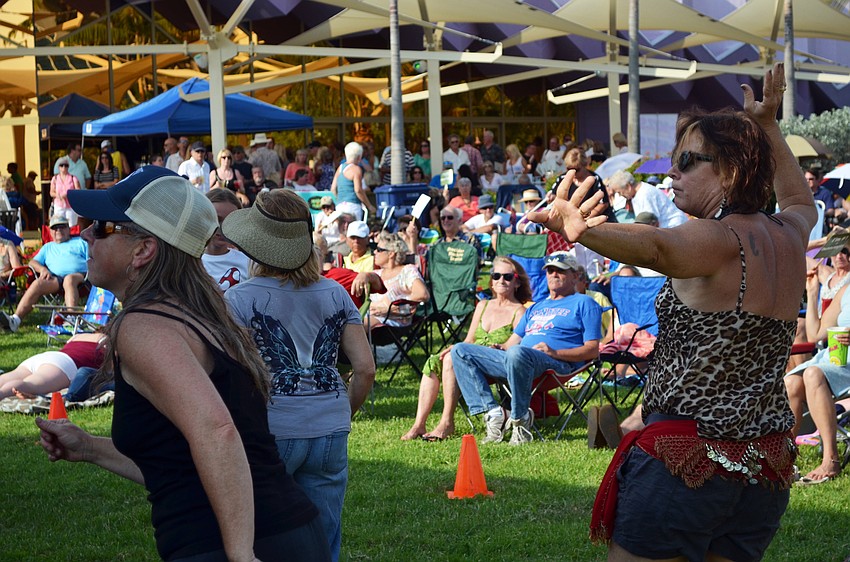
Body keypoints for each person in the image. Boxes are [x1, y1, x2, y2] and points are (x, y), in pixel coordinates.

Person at [531, 63, 816, 560]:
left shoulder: (719, 236)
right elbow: (797, 196)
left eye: (687, 160)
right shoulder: (790, 234)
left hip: (690, 463)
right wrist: (769, 125)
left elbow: (660, 247)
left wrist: (585, 232)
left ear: (729, 171)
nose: (671, 171)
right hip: (762, 466)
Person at [36, 166, 329, 561]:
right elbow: (179, 465)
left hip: (229, 544)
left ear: (143, 250)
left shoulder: (144, 326)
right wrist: (88, 447)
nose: (85, 233)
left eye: (102, 226)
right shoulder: (203, 317)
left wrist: (241, 554)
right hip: (288, 532)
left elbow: (218, 433)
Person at [221, 188, 375, 562]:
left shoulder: (240, 298)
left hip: (272, 429)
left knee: (266, 535)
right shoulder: (335, 293)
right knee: (324, 537)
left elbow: (234, 374)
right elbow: (365, 368)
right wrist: (344, 413)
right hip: (330, 427)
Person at [452, 252, 602, 445]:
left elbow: (592, 350)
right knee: (460, 350)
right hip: (518, 360)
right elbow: (512, 343)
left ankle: (520, 420)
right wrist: (500, 347)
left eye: (560, 271)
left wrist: (554, 352)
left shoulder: (585, 303)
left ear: (575, 276)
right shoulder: (536, 308)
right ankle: (494, 412)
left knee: (517, 353)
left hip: (557, 364)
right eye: (550, 271)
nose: (554, 275)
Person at [402, 256, 531, 441]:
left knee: (450, 358)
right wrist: (455, 347)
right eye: (496, 276)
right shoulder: (483, 305)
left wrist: (461, 350)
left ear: (517, 282)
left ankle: (447, 422)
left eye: (507, 277)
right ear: (491, 282)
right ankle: (418, 424)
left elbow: (511, 346)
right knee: (437, 359)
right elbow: (469, 339)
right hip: (468, 359)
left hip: (493, 363)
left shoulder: (520, 311)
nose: (501, 280)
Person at [784, 273, 850, 484]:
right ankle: (785, 459)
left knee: (813, 374)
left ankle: (830, 459)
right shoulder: (845, 291)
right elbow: (815, 334)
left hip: (842, 363)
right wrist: (812, 293)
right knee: (791, 382)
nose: (843, 256)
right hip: (835, 358)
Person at [1, 216, 88, 333]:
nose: (58, 230)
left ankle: (71, 319)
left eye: (62, 227)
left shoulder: (80, 242)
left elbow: (92, 260)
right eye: (55, 228)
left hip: (81, 277)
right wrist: (43, 270)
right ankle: (15, 320)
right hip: (55, 278)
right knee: (38, 284)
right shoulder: (48, 247)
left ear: (68, 229)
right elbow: (33, 262)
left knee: (69, 279)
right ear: (51, 231)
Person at [0, 332, 105, 400]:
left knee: (6, 378)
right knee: (29, 384)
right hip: (65, 364)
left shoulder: (79, 335)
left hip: (48, 356)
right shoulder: (106, 341)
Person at [366, 231, 429, 329]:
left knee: (356, 327)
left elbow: (422, 294)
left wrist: (391, 308)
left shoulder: (407, 271)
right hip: (371, 316)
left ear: (391, 253)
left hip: (393, 320)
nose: (374, 252)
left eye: (379, 250)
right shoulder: (376, 274)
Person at [202, 189, 251, 292]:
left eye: (229, 221)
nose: (222, 227)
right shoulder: (188, 261)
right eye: (216, 219)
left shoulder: (247, 262)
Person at [607, 170, 689, 228]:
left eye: (620, 192)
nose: (621, 195)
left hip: (673, 228)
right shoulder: (639, 193)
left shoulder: (644, 194)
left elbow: (649, 222)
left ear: (628, 187)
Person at [331, 142, 375, 220]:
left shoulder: (340, 168)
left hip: (340, 206)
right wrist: (369, 206)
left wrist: (340, 198)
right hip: (353, 206)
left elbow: (333, 189)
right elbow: (358, 190)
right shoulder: (356, 169)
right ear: (359, 157)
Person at [50, 157, 82, 226]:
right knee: (59, 225)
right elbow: (51, 192)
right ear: (59, 167)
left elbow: (78, 190)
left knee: (72, 226)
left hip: (70, 206)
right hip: (59, 205)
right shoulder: (55, 179)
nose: (64, 167)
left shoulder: (73, 178)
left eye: (66, 165)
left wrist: (68, 194)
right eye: (62, 165)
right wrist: (58, 195)